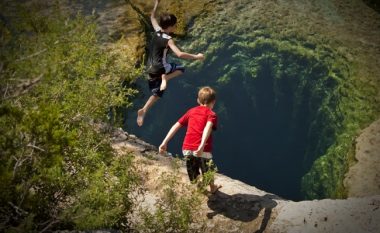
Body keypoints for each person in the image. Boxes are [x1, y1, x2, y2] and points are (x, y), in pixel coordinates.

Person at [137, 0, 205, 127]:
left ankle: (144, 110)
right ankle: (166, 77)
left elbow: (152, 17)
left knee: (157, 93)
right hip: (161, 68)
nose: (175, 28)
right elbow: (180, 54)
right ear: (169, 27)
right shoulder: (169, 40)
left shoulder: (157, 30)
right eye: (174, 26)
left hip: (149, 69)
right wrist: (197, 56)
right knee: (181, 69)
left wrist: (157, 3)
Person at [159, 86, 222, 193]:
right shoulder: (212, 114)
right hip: (203, 149)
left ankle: (199, 187)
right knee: (208, 169)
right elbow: (207, 128)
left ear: (198, 100)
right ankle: (212, 187)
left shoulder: (191, 111)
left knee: (193, 171)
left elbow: (176, 125)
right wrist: (201, 145)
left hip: (187, 148)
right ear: (214, 102)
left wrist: (164, 142)